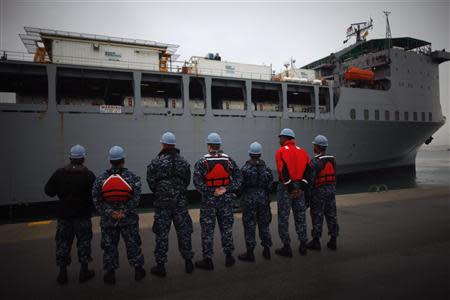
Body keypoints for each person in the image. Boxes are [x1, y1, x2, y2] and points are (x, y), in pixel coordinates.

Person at [92, 146, 145, 285]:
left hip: (109, 221)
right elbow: (136, 199)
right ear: (123, 160)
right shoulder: (132, 178)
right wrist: (125, 212)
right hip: (128, 220)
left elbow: (96, 199)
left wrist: (110, 213)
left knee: (109, 247)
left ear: (110, 160)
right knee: (133, 244)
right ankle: (138, 270)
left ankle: (110, 274)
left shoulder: (101, 179)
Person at [45, 144, 96, 285]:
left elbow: (48, 191)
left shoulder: (59, 173)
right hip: (82, 215)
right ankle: (83, 271)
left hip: (64, 216)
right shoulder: (88, 175)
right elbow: (95, 195)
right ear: (83, 158)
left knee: (63, 244)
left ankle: (62, 273)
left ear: (70, 157)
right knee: (84, 243)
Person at [147, 132, 194, 277]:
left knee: (162, 234)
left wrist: (161, 191)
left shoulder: (155, 162)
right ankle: (188, 262)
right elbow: (186, 181)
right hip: (180, 202)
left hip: (162, 204)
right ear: (174, 144)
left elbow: (151, 183)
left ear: (163, 144)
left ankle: (160, 265)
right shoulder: (183, 162)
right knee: (184, 232)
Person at [193, 132, 242, 270]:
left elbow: (197, 182)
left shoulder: (202, 162)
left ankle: (208, 260)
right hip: (225, 201)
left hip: (209, 202)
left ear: (209, 146)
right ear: (219, 145)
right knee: (226, 229)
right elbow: (239, 178)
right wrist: (227, 188)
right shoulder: (229, 160)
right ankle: (229, 257)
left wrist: (211, 191)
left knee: (207, 231)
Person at [275, 128, 312, 257]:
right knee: (300, 216)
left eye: (280, 137)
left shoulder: (280, 151)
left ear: (285, 138)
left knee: (283, 218)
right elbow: (308, 172)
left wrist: (290, 188)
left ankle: (286, 246)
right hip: (300, 188)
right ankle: (303, 245)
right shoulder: (303, 151)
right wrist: (301, 187)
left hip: (286, 188)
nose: (279, 140)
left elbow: (282, 171)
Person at [238, 142, 274, 262]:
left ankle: (250, 253)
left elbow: (239, 186)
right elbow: (270, 185)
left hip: (249, 200)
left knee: (249, 225)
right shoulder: (267, 169)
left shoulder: (245, 169)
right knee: (264, 225)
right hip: (263, 199)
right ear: (260, 154)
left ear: (250, 153)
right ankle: (267, 250)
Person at [307, 135, 339, 251]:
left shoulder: (315, 162)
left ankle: (316, 241)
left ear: (317, 147)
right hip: (331, 190)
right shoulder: (332, 159)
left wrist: (307, 195)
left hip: (318, 192)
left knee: (317, 216)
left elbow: (310, 180)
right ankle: (333, 240)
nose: (313, 147)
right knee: (331, 215)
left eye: (314, 145)